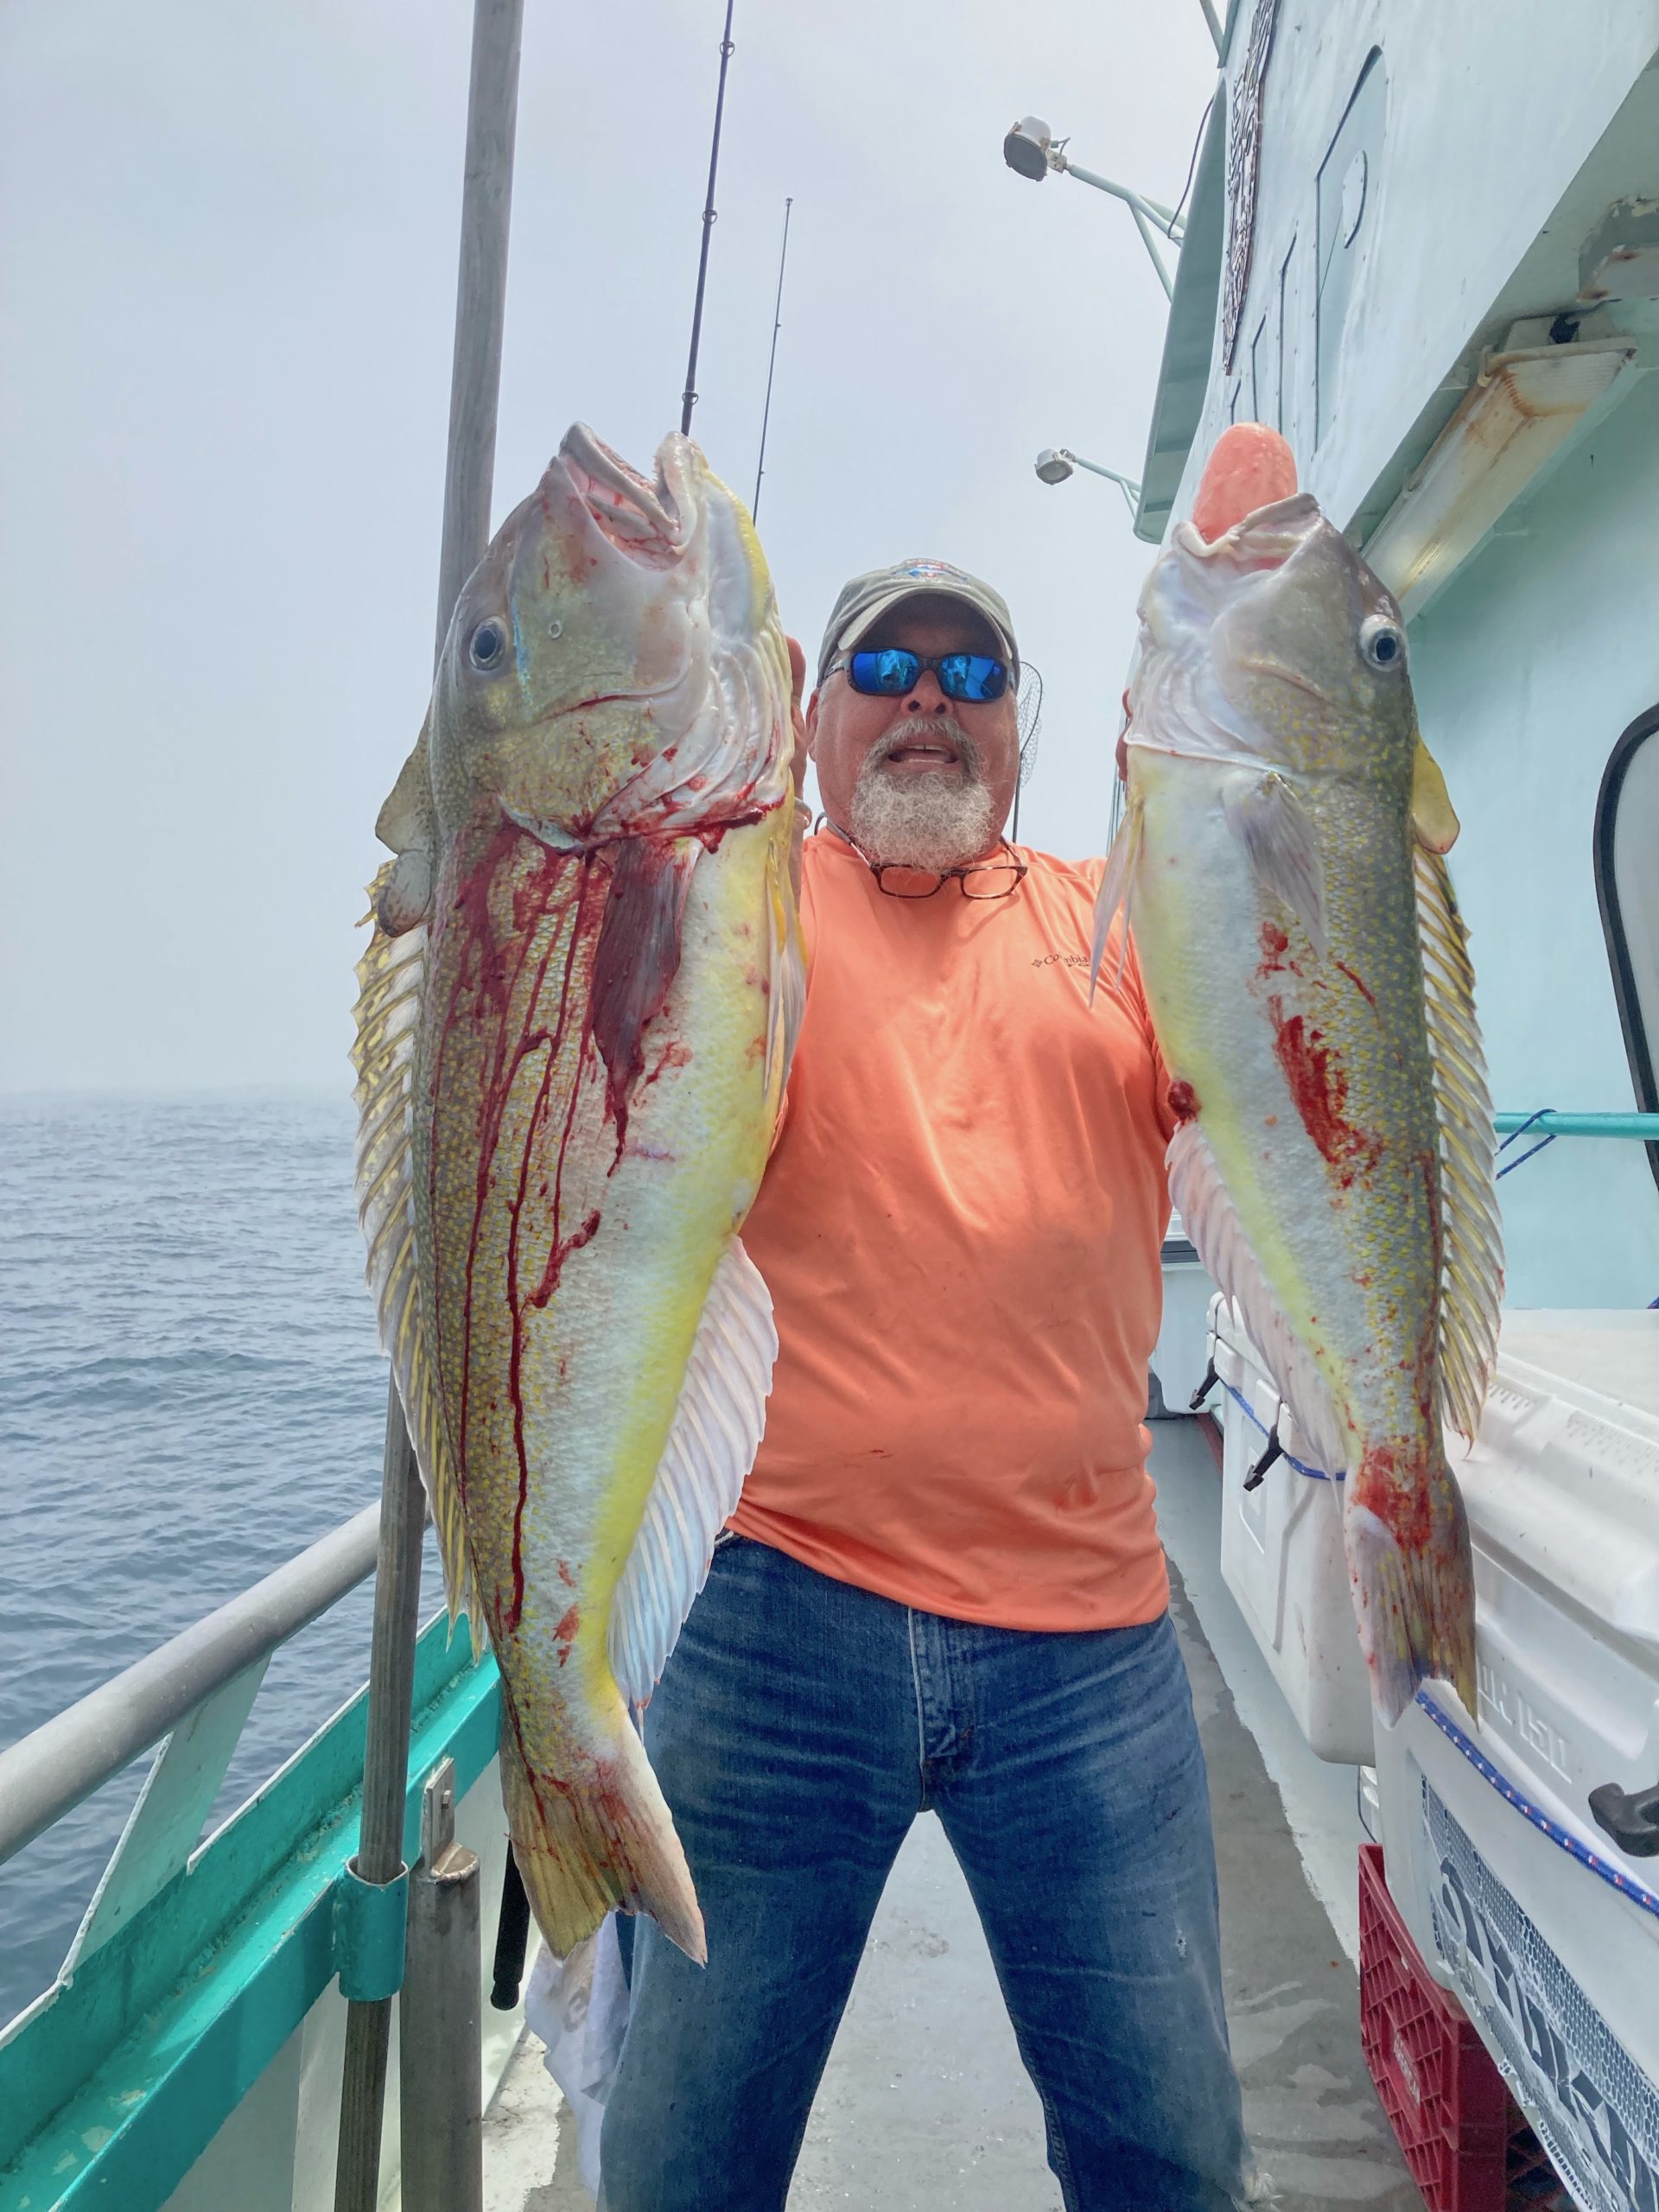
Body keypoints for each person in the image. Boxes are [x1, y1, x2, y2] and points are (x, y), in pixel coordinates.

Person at [597, 559, 1254, 2212]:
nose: (929, 705)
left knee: (1169, 2155)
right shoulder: (737, 909)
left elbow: (1283, 1047)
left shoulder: (1118, 927)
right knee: (687, 2161)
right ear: (812, 707)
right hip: (772, 1621)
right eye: (888, 665)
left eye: (975, 678)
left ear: (1027, 731)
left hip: (1090, 1638)